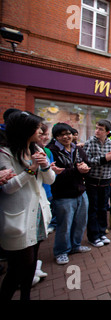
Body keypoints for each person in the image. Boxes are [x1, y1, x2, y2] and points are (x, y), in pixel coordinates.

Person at [0, 111, 55, 300]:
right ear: (24, 130)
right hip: (19, 217)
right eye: (37, 127)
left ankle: (26, 296)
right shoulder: (5, 154)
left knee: (31, 264)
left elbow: (50, 180)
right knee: (17, 268)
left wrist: (45, 166)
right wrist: (31, 170)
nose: (41, 131)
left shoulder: (37, 150)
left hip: (38, 213)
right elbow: (8, 188)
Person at [47, 123, 91, 265]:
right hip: (63, 194)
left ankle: (75, 246)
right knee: (64, 225)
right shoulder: (51, 151)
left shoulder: (77, 149)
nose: (66, 137)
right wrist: (78, 170)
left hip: (80, 192)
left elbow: (86, 163)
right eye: (61, 134)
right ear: (56, 137)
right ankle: (61, 251)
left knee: (80, 222)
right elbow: (57, 173)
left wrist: (85, 167)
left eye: (68, 133)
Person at [83, 120, 111, 247]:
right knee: (93, 209)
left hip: (106, 180)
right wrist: (104, 159)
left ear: (107, 132)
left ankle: (102, 233)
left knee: (103, 208)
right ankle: (93, 236)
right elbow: (87, 161)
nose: (97, 131)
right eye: (96, 128)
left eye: (101, 129)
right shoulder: (89, 142)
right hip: (92, 180)